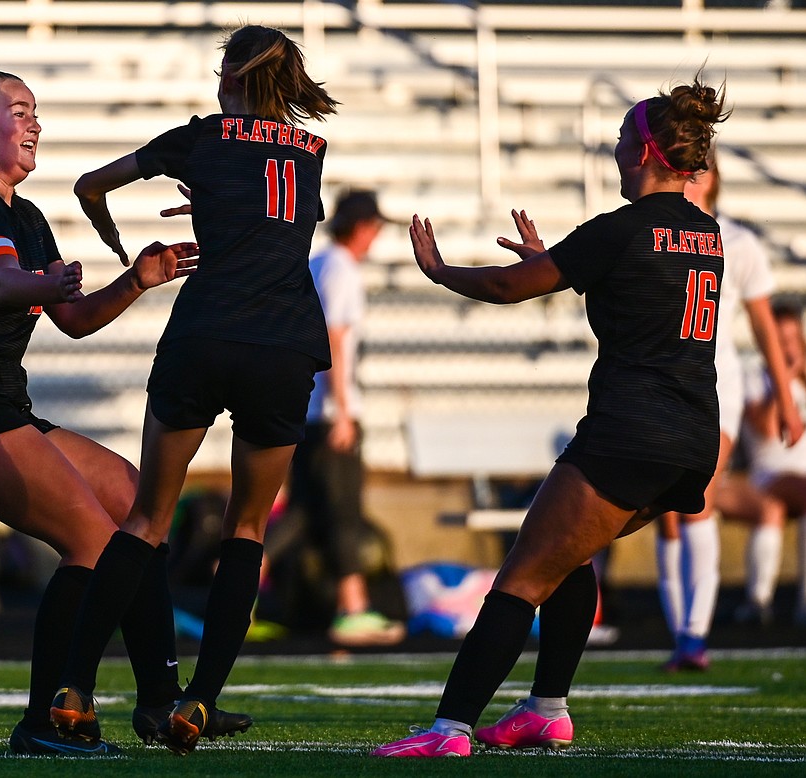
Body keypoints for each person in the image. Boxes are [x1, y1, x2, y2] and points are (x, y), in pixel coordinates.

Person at [373, 76, 729, 759]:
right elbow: (640, 293)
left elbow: (509, 288)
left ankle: (449, 729)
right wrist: (557, 265)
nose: (617, 150)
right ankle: (545, 710)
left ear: (649, 152)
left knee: (523, 576)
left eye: (625, 139)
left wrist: (444, 272)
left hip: (630, 431)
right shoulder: (704, 232)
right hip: (690, 437)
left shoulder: (622, 228)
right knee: (568, 557)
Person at [0, 69, 234, 758]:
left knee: (142, 507)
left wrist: (136, 281)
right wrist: (40, 281)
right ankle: (42, 722)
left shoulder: (23, 213)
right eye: (18, 111)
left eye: (36, 113)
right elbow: (0, 281)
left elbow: (74, 318)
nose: (34, 124)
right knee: (94, 543)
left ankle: (157, 701)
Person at [48, 24, 338, 755]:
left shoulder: (199, 138)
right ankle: (199, 701)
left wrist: (113, 238)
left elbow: (91, 186)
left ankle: (75, 686)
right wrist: (223, 210)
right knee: (248, 529)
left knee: (147, 519)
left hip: (204, 333)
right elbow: (288, 222)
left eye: (221, 68)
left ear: (234, 74)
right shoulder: (312, 152)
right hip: (283, 343)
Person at [654, 151, 802, 671]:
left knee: (698, 499)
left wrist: (785, 397)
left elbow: (764, 326)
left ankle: (695, 635)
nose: (692, 182)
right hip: (659, 390)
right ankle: (680, 634)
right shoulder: (653, 236)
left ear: (716, 178)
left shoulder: (738, 243)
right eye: (683, 172)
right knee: (668, 517)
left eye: (701, 171)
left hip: (718, 392)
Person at [289, 189, 404, 647]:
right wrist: (342, 412)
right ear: (361, 227)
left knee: (304, 512)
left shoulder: (320, 263)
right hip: (328, 409)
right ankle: (352, 607)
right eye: (374, 227)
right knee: (343, 509)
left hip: (309, 408)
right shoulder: (340, 268)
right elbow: (335, 338)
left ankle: (235, 581)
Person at [716, 301, 806, 626]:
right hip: (770, 473)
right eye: (779, 340)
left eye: (792, 338)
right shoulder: (756, 377)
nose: (787, 347)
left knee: (778, 508)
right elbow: (767, 431)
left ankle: (764, 599)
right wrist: (787, 377)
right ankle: (761, 602)